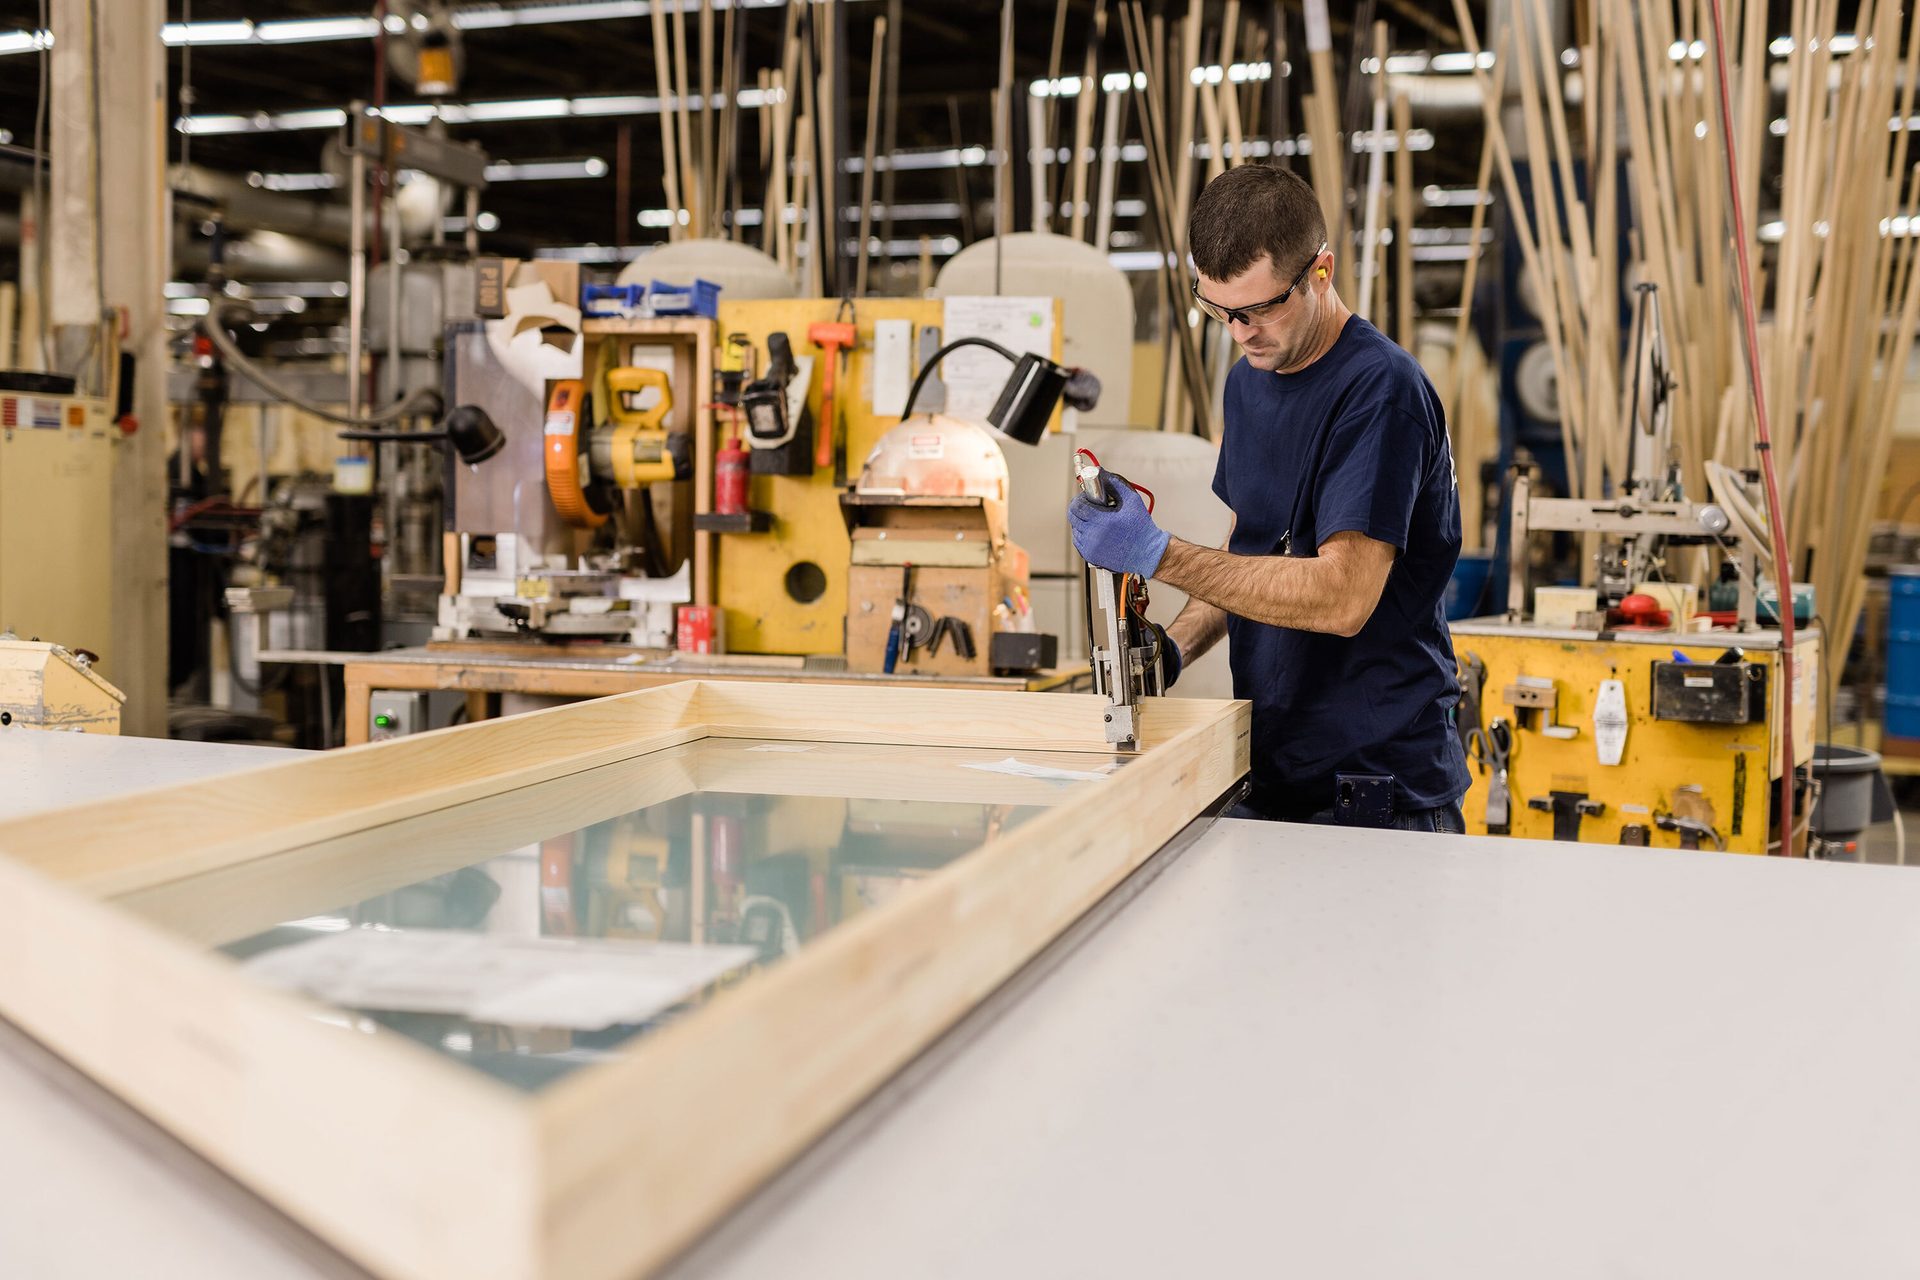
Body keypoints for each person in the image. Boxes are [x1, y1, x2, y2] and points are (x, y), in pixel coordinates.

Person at [1070, 164, 1470, 832]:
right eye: (1220, 310)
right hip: (1273, 769)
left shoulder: (1380, 392)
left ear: (1322, 271)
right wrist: (1176, 646)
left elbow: (1343, 597)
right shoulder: (1247, 384)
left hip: (1376, 790)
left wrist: (1156, 553)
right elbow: (1251, 552)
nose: (1241, 332)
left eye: (1260, 309)